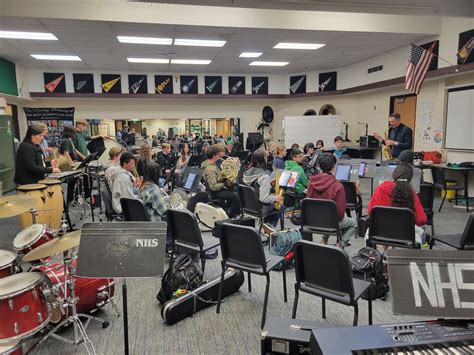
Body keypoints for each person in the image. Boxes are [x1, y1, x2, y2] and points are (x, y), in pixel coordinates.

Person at [368, 163, 427, 249]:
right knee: (422, 229)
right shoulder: (411, 193)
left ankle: (384, 253)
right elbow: (422, 220)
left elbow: (370, 211)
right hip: (404, 235)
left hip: (380, 232)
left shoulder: (381, 188)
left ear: (394, 175)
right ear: (410, 178)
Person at [307, 153, 358, 247]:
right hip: (331, 222)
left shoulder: (311, 182)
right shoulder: (338, 185)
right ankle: (340, 244)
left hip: (312, 221)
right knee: (354, 223)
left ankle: (324, 241)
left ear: (318, 166)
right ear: (334, 167)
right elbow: (340, 212)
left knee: (325, 214)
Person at [243, 150, 283, 226]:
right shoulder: (264, 177)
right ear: (263, 159)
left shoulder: (247, 173)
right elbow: (263, 198)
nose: (267, 159)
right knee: (281, 206)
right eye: (266, 157)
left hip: (248, 207)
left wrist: (269, 183)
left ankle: (266, 227)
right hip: (260, 208)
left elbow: (255, 185)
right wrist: (276, 198)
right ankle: (269, 229)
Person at [201, 145, 240, 217]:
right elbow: (213, 187)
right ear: (214, 155)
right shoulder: (210, 169)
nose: (220, 156)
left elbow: (218, 176)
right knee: (237, 196)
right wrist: (225, 183)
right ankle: (230, 215)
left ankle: (228, 209)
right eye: (218, 154)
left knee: (237, 190)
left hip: (219, 187)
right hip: (216, 192)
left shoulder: (211, 163)